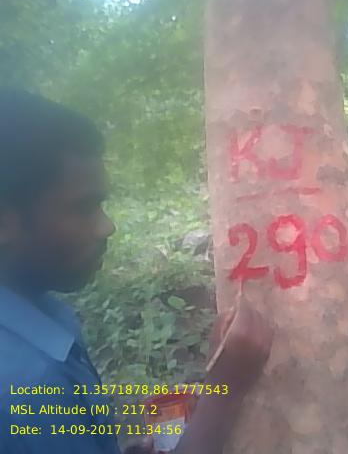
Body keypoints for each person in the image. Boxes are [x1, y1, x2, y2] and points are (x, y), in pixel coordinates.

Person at [0, 89, 273, 454]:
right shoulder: (26, 388)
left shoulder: (44, 313)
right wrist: (227, 388)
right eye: (82, 208)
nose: (106, 227)